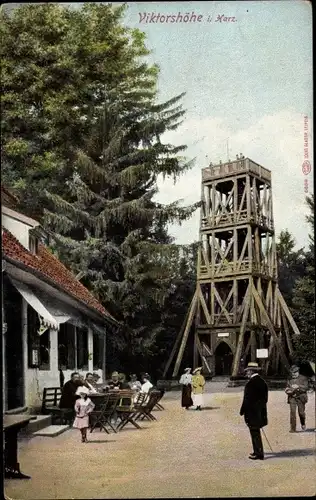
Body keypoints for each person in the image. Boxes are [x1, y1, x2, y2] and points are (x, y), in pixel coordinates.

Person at [240, 362, 268, 460]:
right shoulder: (262, 382)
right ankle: (258, 451)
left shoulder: (251, 383)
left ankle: (259, 453)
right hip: (260, 412)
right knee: (256, 432)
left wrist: (242, 410)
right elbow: (265, 399)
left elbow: (247, 399)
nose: (246, 373)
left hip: (252, 412)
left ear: (251, 371)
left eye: (247, 371)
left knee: (254, 432)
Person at [285, 364, 309, 432]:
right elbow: (287, 387)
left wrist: (298, 386)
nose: (293, 375)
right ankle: (293, 428)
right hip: (292, 397)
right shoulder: (289, 378)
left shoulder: (304, 378)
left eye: (295, 373)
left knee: (301, 412)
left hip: (301, 397)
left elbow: (306, 387)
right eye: (292, 373)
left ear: (298, 372)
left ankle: (303, 423)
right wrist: (287, 390)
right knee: (292, 412)